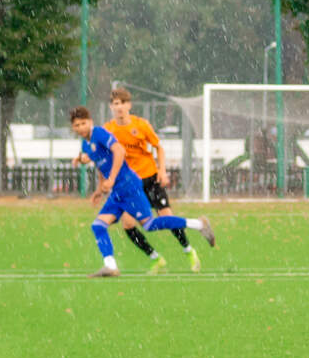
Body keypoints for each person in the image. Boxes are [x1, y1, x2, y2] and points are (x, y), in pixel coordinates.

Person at [69, 106, 214, 277]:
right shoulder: (86, 144)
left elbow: (119, 151)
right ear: (73, 127)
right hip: (117, 192)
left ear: (90, 122)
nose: (81, 127)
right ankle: (110, 266)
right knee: (98, 226)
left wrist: (112, 178)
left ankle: (199, 224)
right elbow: (97, 161)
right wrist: (100, 188)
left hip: (129, 186)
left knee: (149, 225)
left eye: (83, 123)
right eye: (77, 125)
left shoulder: (99, 133)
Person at [105, 87, 201, 273]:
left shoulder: (141, 125)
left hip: (150, 179)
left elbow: (159, 147)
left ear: (129, 105)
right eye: (116, 104)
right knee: (128, 224)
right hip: (130, 186)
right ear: (111, 107)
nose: (119, 107)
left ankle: (189, 251)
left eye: (123, 103)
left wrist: (162, 171)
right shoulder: (108, 129)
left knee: (167, 218)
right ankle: (156, 258)